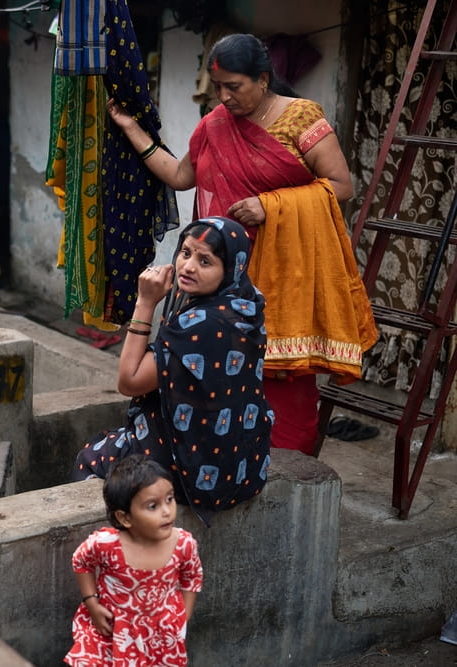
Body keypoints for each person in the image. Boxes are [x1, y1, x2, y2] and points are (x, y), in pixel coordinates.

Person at [105, 33, 376, 455]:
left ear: (263, 80)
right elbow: (180, 177)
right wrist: (131, 128)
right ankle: (223, 458)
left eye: (235, 87)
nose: (224, 97)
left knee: (280, 374)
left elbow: (342, 186)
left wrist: (272, 205)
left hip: (286, 272)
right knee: (218, 366)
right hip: (224, 274)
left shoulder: (302, 118)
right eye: (219, 88)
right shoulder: (214, 124)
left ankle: (287, 464)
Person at [73, 217, 271, 526]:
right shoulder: (247, 305)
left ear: (229, 267)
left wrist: (145, 303)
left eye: (205, 261)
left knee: (93, 455)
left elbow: (129, 381)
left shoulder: (202, 324)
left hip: (191, 469)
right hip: (241, 463)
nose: (188, 267)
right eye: (186, 252)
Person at [65, 454, 203, 666]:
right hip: (112, 631)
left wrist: (183, 617)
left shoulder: (183, 544)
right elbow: (81, 562)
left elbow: (192, 577)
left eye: (169, 499)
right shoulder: (106, 544)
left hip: (160, 638)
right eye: (152, 506)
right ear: (125, 518)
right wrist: (91, 602)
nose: (167, 511)